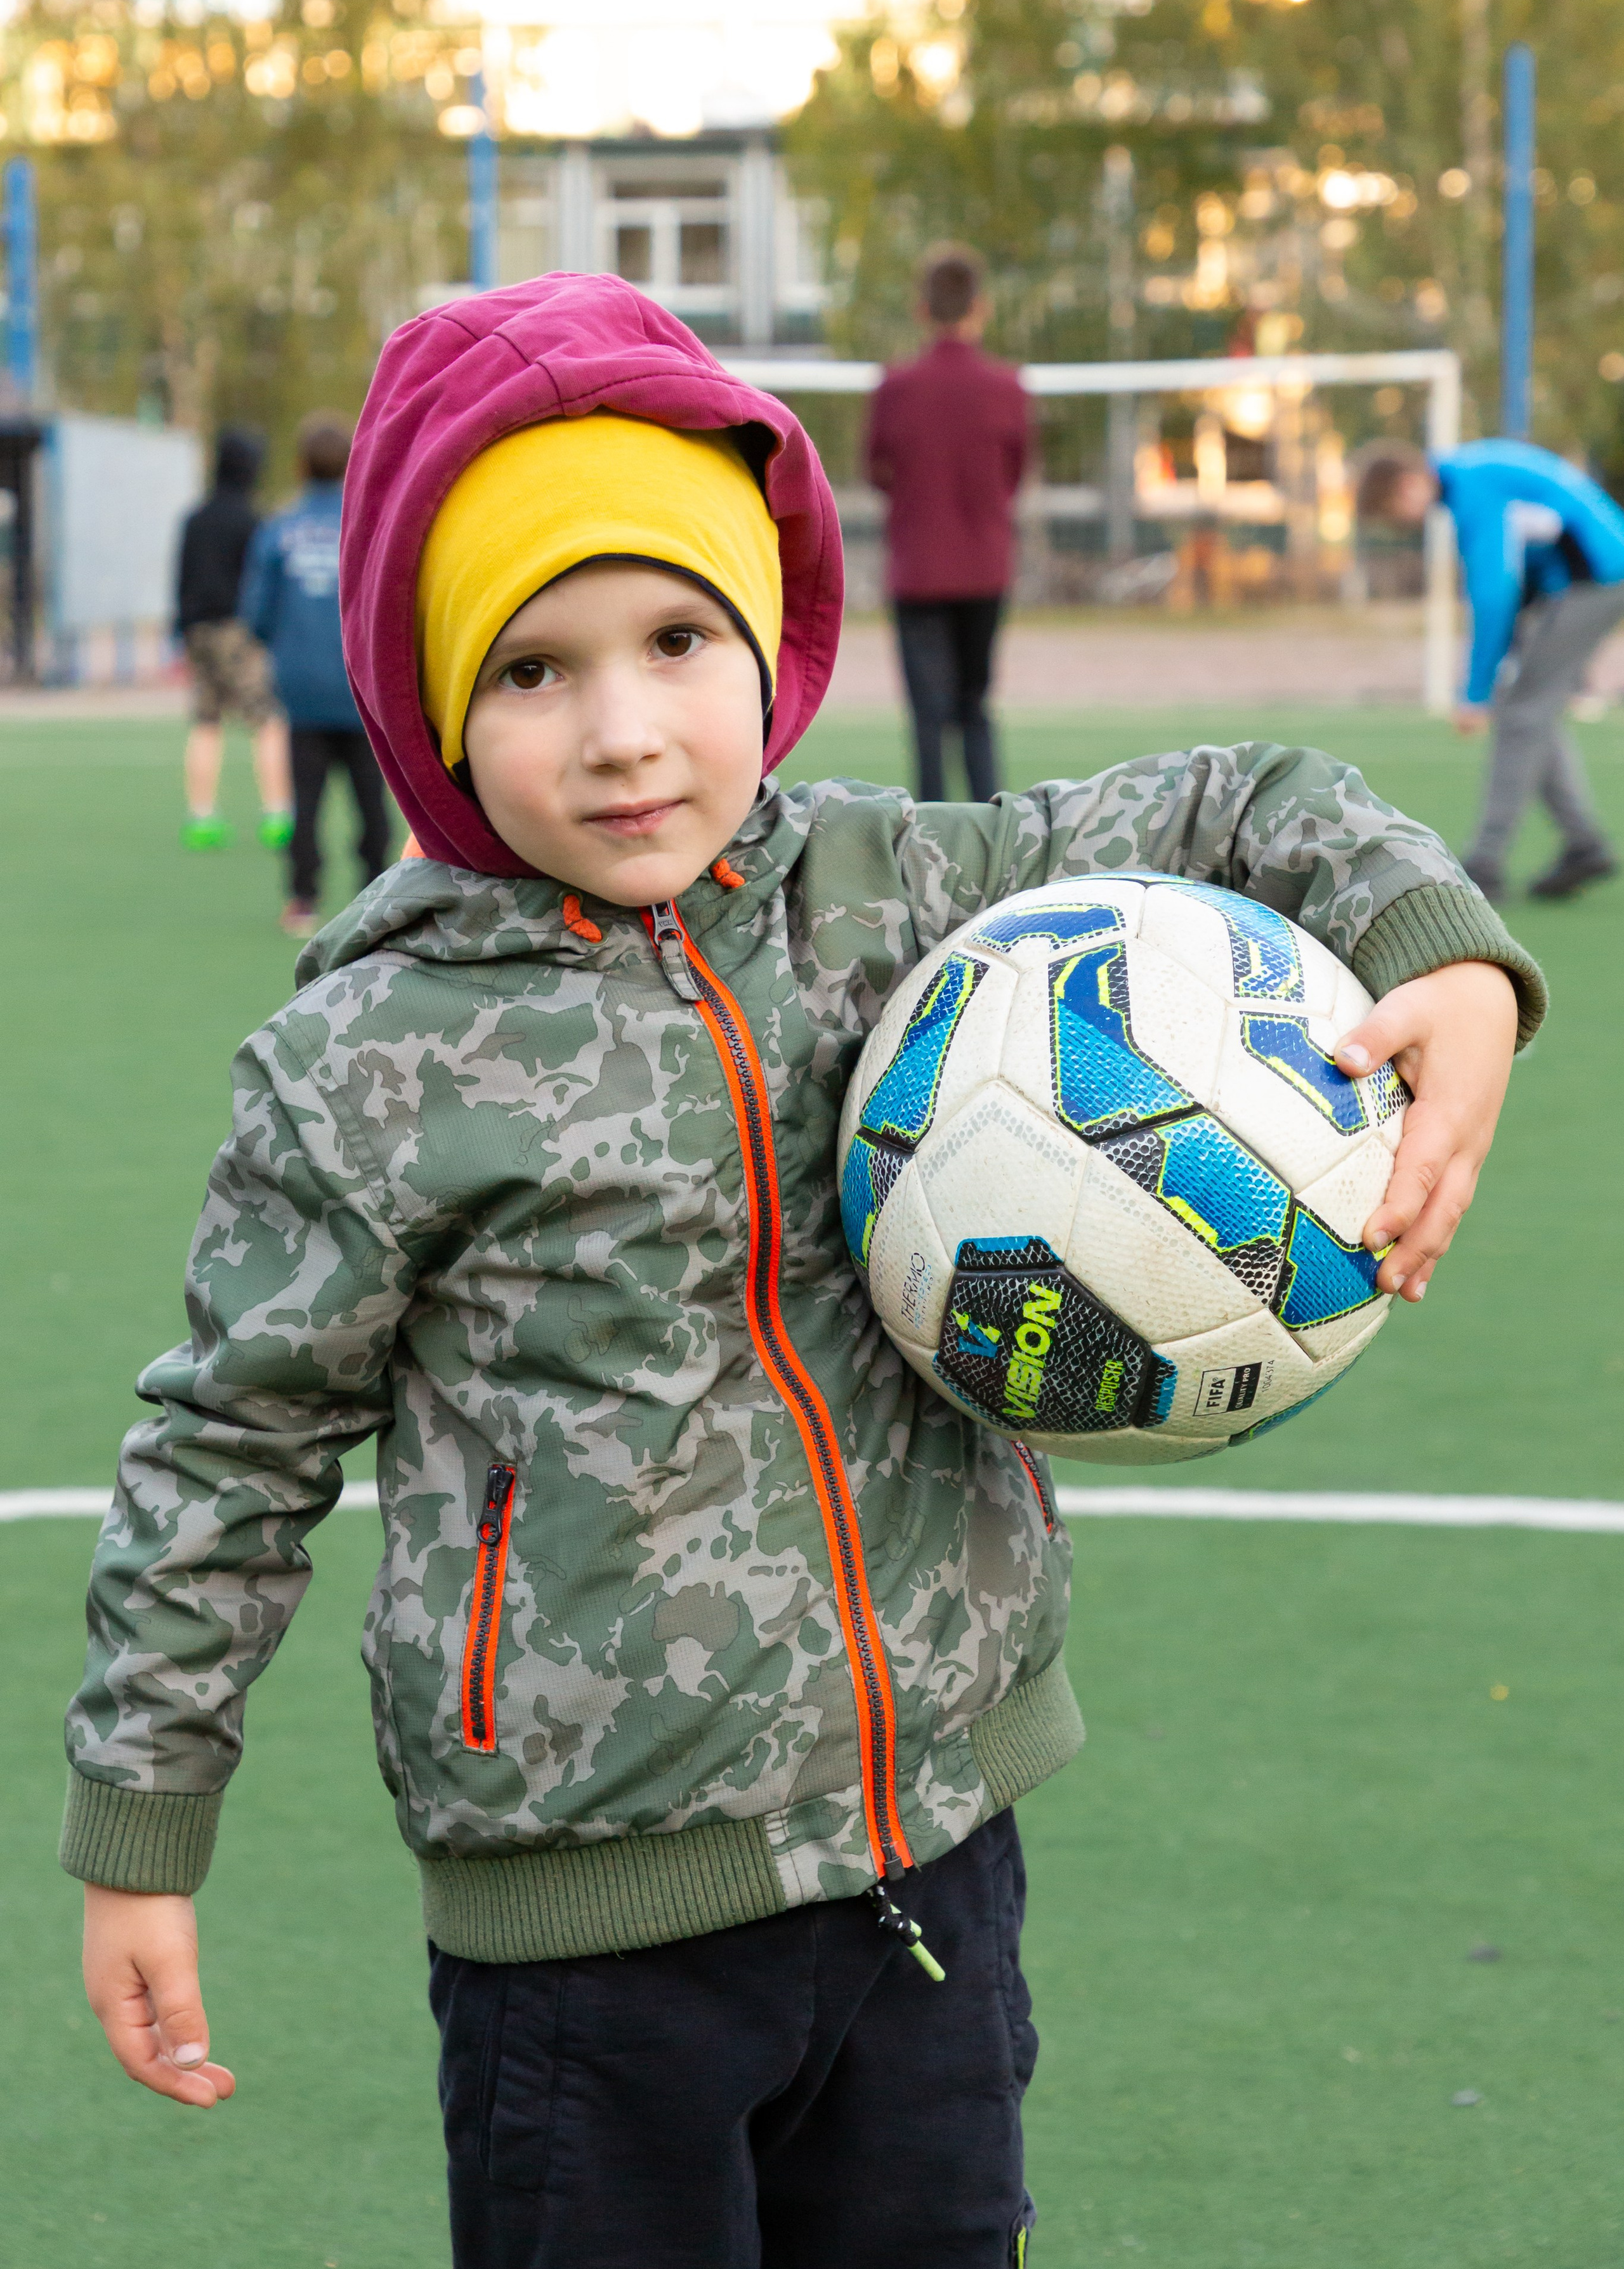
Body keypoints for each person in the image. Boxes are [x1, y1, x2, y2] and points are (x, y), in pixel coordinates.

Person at [65, 275, 1543, 2269]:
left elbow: (1235, 802)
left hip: (935, 1857)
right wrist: (144, 1832)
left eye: (677, 638)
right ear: (428, 707)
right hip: (588, 1943)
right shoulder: (372, 1059)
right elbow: (227, 1452)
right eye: (530, 670)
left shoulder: (892, 889)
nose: (621, 730)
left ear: (765, 635)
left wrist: (1440, 947)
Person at [1356, 438, 1624, 900]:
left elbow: (1494, 590)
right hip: (1567, 584)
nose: (1404, 523)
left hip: (1596, 579)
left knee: (1521, 715)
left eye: (1394, 512)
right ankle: (1583, 843)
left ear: (1407, 485)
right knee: (1529, 712)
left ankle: (1485, 864)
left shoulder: (1471, 487)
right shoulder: (1465, 475)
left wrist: (1474, 693)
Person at [865, 246, 1031, 802]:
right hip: (984, 569)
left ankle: (930, 844)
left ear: (922, 308)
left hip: (918, 570)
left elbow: (878, 469)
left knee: (928, 719)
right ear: (980, 307)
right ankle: (997, 830)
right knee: (975, 707)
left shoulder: (896, 387)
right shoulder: (1007, 386)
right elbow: (1013, 474)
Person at [239, 412, 392, 938]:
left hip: (301, 690)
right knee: (372, 798)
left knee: (306, 800)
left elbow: (256, 614)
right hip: (360, 691)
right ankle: (380, 897)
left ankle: (302, 900)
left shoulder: (279, 529)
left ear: (301, 466)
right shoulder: (369, 526)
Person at [173, 425, 291, 853]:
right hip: (237, 631)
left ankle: (202, 817)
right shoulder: (253, 521)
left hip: (198, 629)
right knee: (268, 720)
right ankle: (278, 813)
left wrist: (181, 630)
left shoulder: (195, 518)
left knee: (207, 723)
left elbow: (181, 577)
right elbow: (261, 584)